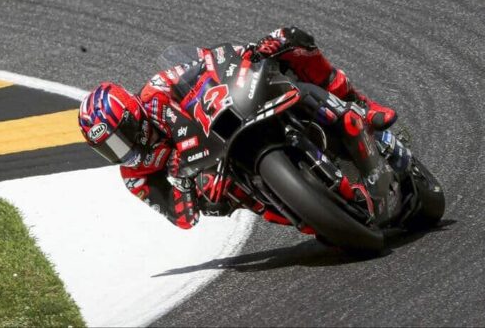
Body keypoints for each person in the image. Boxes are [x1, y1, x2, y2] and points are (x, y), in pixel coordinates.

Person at [78, 26, 401, 230]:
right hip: (227, 179)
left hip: (228, 123)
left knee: (291, 41)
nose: (122, 151)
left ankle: (361, 103)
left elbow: (208, 63)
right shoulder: (135, 175)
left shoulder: (157, 92)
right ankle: (313, 212)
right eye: (110, 150)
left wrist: (250, 52)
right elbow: (183, 219)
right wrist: (183, 184)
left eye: (120, 139)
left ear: (133, 118)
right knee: (231, 194)